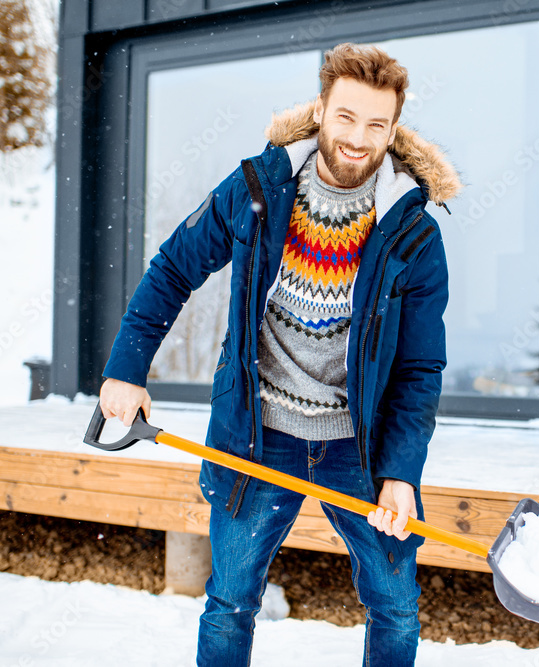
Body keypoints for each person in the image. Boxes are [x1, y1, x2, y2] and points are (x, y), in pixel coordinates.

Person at [98, 42, 461, 666]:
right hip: (257, 432)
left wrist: (401, 471)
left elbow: (419, 367)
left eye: (376, 124)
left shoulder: (413, 233)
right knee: (230, 603)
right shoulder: (256, 189)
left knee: (396, 608)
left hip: (361, 446)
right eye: (345, 116)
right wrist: (126, 368)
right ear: (320, 109)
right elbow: (173, 269)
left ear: (393, 129)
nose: (357, 137)